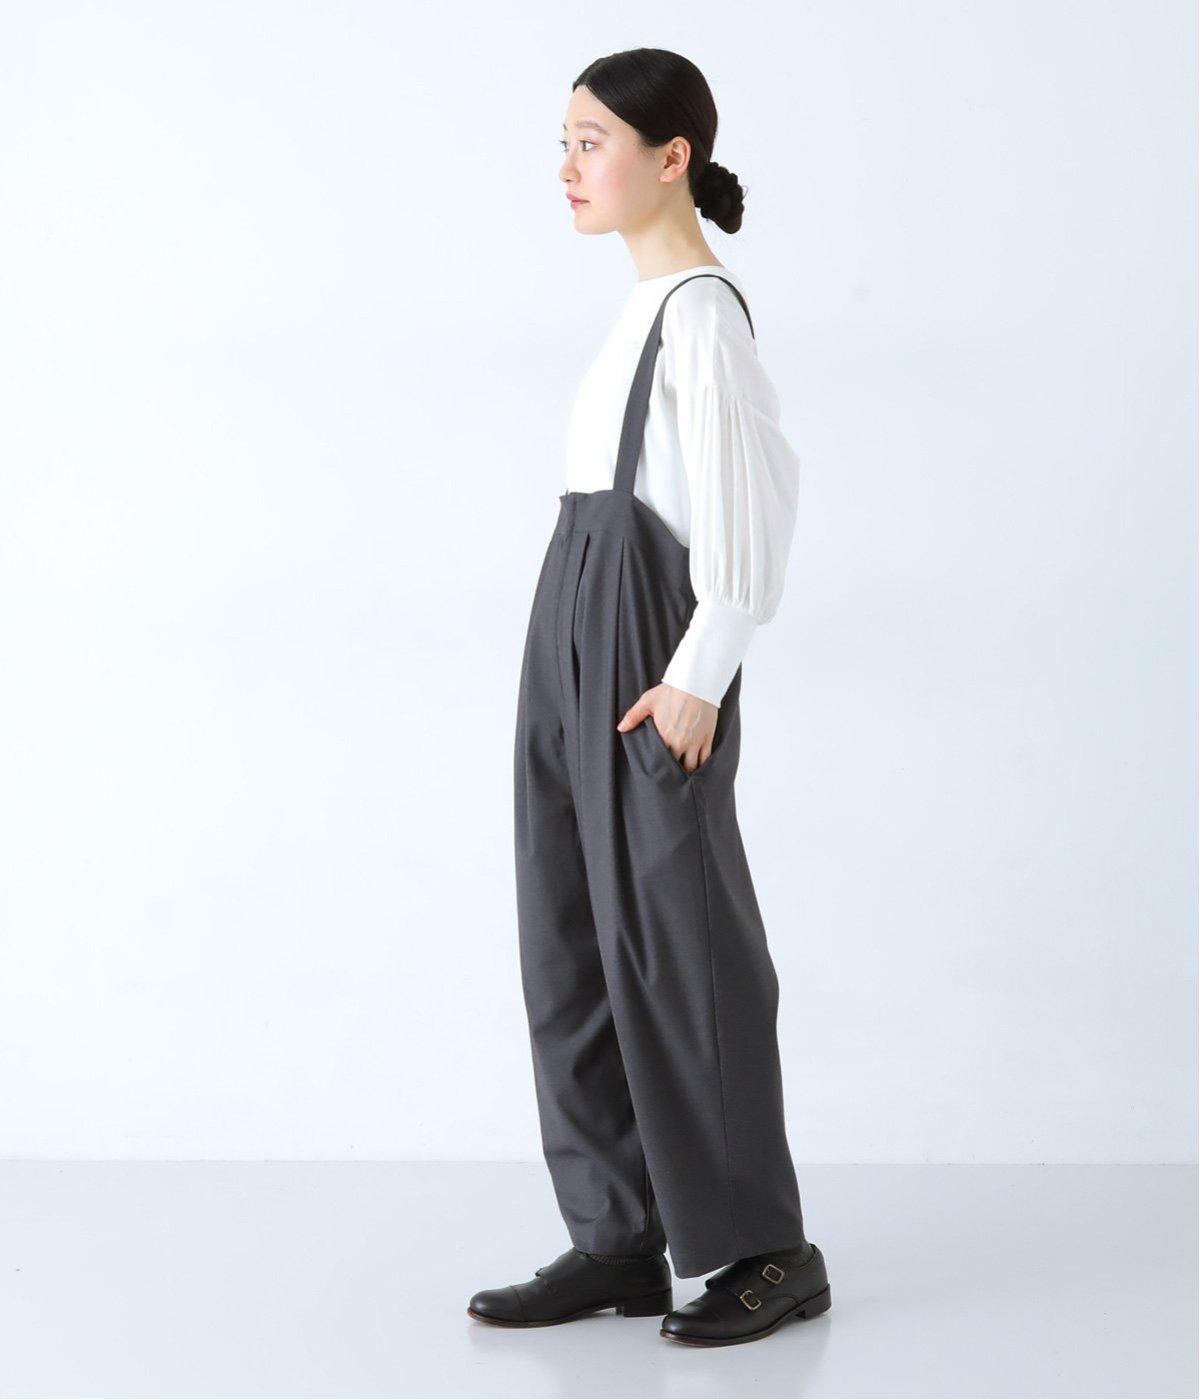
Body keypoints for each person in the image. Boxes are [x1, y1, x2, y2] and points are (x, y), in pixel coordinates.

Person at [467, 48, 832, 1347]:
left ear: (670, 156)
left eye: (591, 142)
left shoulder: (701, 314)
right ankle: (617, 1239)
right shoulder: (636, 313)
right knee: (569, 939)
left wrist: (697, 678)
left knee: (684, 951)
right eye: (564, 143)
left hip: (648, 662)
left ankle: (768, 1251)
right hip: (573, 639)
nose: (567, 168)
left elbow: (753, 510)